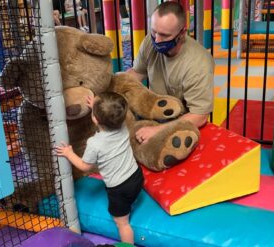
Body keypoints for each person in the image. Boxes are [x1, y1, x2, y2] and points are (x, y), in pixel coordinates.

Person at [55, 92, 144, 244]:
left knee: (122, 224)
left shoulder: (94, 143)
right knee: (130, 196)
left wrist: (69, 154)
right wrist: (96, 107)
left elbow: (85, 166)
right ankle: (131, 200)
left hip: (120, 189)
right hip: (137, 177)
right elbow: (112, 114)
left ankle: (127, 246)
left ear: (95, 119)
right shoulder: (123, 126)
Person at [126, 1, 215, 145]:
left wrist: (158, 130)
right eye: (154, 32)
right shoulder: (150, 41)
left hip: (183, 122)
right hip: (153, 112)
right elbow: (136, 73)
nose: (157, 40)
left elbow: (199, 116)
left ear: (182, 33)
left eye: (165, 35)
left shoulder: (198, 63)